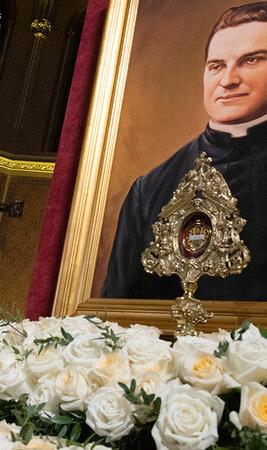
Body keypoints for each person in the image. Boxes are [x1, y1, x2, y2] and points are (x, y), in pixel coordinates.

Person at [102, 2, 267, 301]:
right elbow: (118, 310)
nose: (227, 80)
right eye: (216, 66)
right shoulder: (148, 189)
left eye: (251, 60)